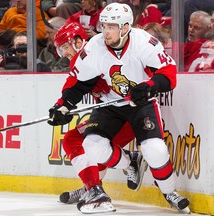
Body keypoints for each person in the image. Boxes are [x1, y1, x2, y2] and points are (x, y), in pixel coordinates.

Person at [47, 3, 190, 214]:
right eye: (103, 26)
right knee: (92, 145)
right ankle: (129, 162)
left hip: (140, 105)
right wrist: (63, 105)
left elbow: (167, 72)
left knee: (155, 150)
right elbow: (78, 83)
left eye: (111, 27)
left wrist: (149, 86)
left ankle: (170, 192)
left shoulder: (143, 42)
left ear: (125, 27)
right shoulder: (94, 47)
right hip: (110, 106)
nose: (105, 31)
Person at [51, 22, 147, 205]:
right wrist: (61, 107)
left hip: (129, 114)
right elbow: (71, 86)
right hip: (113, 114)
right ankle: (92, 186)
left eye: (65, 47)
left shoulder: (94, 54)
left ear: (78, 42)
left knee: (81, 142)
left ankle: (96, 186)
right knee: (86, 143)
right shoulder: (86, 57)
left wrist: (63, 105)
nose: (63, 53)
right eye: (60, 49)